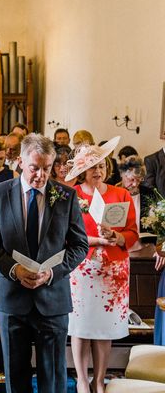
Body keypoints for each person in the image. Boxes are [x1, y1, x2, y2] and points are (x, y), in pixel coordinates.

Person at [0, 133, 89, 393]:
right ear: (19, 161)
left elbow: (79, 246)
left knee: (52, 379)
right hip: (11, 297)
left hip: (52, 299)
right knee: (15, 379)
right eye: (34, 168)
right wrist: (13, 269)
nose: (40, 175)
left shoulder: (66, 196)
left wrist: (52, 273)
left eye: (47, 168)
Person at [64, 136, 138, 393]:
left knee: (103, 329)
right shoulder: (72, 195)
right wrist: (93, 240)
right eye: (93, 166)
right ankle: (83, 380)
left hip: (113, 270)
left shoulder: (121, 193)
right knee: (81, 326)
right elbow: (64, 234)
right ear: (83, 170)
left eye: (102, 165)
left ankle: (99, 378)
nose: (99, 171)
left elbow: (132, 233)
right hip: (82, 268)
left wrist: (116, 237)